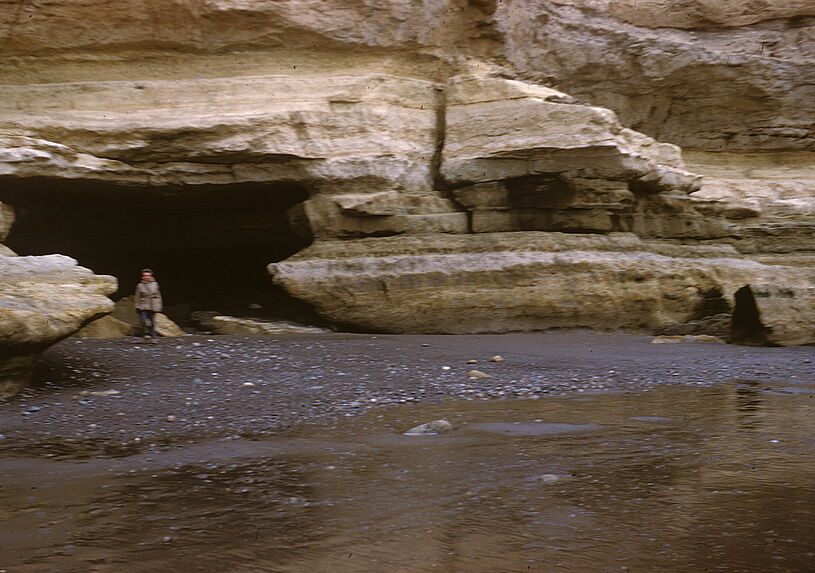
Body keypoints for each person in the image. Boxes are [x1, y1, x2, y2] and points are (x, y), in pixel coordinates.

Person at [134, 268, 163, 340]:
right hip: (143, 305)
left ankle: (153, 337)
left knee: (153, 322)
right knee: (143, 321)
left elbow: (158, 295)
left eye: (148, 275)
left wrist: (159, 305)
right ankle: (143, 335)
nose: (146, 277)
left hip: (153, 305)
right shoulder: (140, 285)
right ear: (142, 277)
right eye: (145, 275)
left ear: (151, 276)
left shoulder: (155, 284)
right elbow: (137, 296)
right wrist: (137, 306)